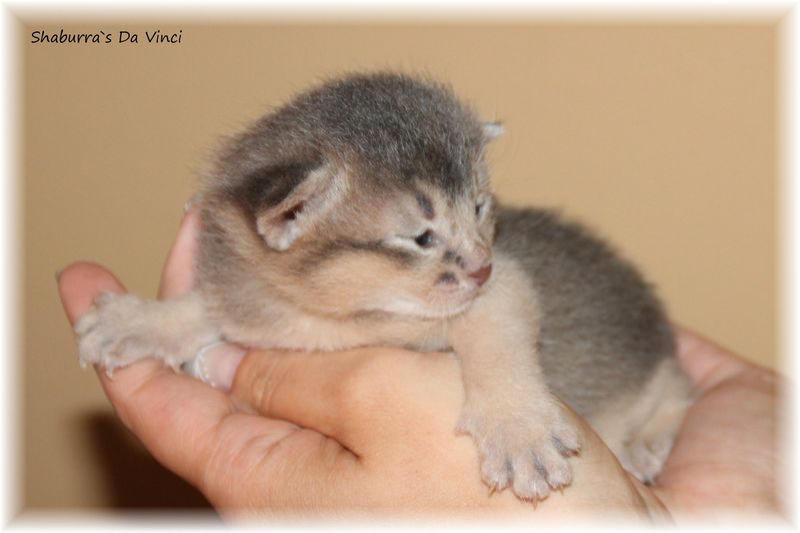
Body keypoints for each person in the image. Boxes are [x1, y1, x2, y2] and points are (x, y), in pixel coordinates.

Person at [57, 209, 783, 522]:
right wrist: (172, 323)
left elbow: (495, 295)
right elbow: (245, 305)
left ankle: (661, 409)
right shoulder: (286, 274)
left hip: (624, 378)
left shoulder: (449, 283)